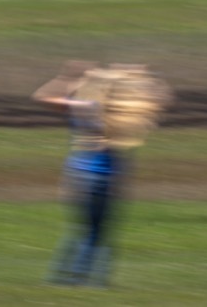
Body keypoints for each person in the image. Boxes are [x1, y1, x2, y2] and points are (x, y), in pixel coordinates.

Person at [32, 61, 172, 287]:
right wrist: (140, 76)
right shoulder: (114, 113)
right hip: (104, 175)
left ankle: (64, 277)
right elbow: (159, 101)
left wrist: (69, 78)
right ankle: (90, 280)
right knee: (99, 231)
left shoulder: (81, 106)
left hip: (77, 171)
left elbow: (42, 96)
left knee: (83, 229)